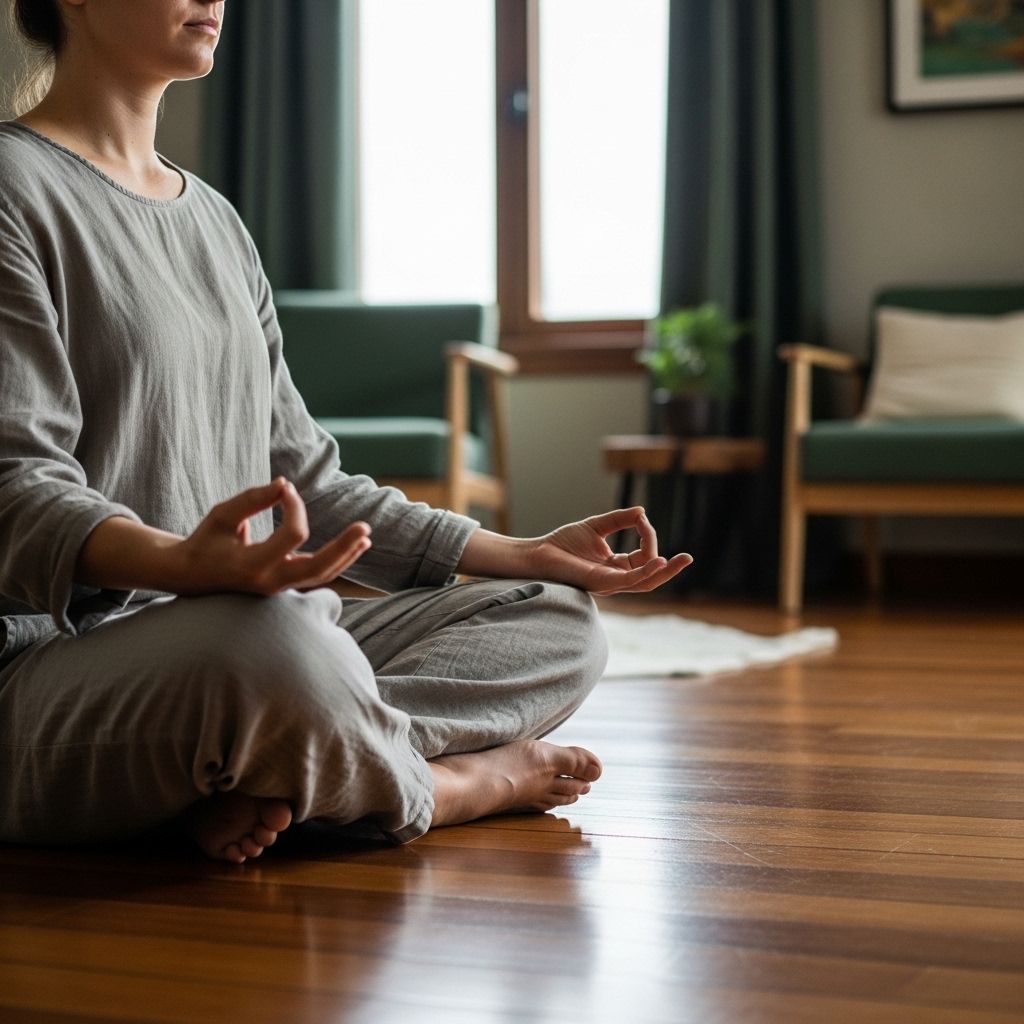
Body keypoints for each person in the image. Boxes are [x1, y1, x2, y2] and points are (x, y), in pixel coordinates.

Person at [0, 0, 691, 864]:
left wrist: (523, 553)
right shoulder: (12, 189)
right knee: (280, 648)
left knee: (557, 621)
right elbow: (17, 492)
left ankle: (272, 770)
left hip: (246, 638)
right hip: (59, 666)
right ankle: (443, 788)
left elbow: (312, 487)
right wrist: (184, 565)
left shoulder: (215, 221)